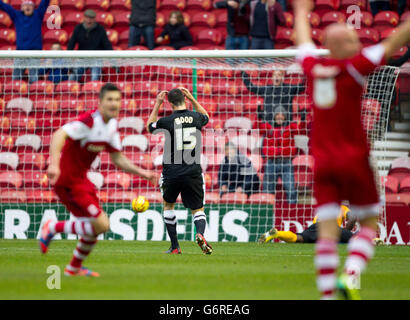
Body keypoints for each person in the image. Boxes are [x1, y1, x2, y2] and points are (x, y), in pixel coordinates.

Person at [293, 0, 410, 300]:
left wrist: (299, 9)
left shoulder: (313, 67)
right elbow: (395, 40)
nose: (359, 43)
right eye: (354, 40)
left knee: (328, 234)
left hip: (322, 161)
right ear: (345, 45)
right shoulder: (356, 67)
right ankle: (352, 273)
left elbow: (303, 39)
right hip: (353, 158)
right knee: (371, 223)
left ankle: (328, 294)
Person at [40, 83, 157, 277]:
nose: (114, 103)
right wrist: (53, 164)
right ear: (100, 102)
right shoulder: (89, 122)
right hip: (68, 181)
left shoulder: (111, 126)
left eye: (117, 100)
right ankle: (52, 227)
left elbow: (118, 158)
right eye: (110, 99)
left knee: (96, 228)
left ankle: (73, 269)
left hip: (82, 181)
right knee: (101, 225)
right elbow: (59, 133)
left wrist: (143, 173)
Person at [147, 88, 212, 255]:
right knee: (198, 209)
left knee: (168, 205)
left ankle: (175, 246)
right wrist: (193, 98)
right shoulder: (196, 117)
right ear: (185, 98)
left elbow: (149, 127)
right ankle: (200, 234)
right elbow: (207, 116)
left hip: (171, 172)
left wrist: (157, 103)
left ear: (169, 102)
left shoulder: (167, 121)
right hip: (193, 171)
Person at [257, 106, 306, 203]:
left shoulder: (290, 127)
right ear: (274, 116)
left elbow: (301, 129)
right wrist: (259, 117)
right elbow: (258, 128)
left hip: (286, 163)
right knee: (267, 190)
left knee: (291, 189)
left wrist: (303, 118)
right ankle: (267, 211)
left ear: (285, 116)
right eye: (277, 114)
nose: (280, 116)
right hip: (271, 163)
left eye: (282, 115)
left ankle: (292, 211)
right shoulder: (268, 127)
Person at [0, 0, 50, 83]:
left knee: (34, 77)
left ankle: (34, 95)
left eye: (30, 5)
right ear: (22, 7)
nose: (27, 7)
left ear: (33, 7)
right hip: (20, 52)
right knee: (16, 77)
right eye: (25, 5)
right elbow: (4, 7)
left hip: (35, 53)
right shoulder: (16, 15)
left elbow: (45, 2)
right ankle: (15, 95)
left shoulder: (38, 14)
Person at [258, 206, 356, 244]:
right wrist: (346, 231)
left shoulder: (322, 206)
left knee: (299, 238)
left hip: (316, 226)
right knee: (353, 239)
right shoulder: (342, 208)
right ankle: (370, 239)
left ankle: (277, 233)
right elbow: (353, 218)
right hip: (331, 228)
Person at [67, 9, 112, 82]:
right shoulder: (78, 28)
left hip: (96, 58)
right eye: (87, 18)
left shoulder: (100, 29)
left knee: (95, 77)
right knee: (73, 77)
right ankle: (70, 90)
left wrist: (113, 60)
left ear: (95, 19)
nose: (89, 21)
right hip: (81, 58)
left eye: (91, 19)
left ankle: (93, 91)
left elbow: (107, 44)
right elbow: (71, 44)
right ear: (84, 18)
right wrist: (69, 59)